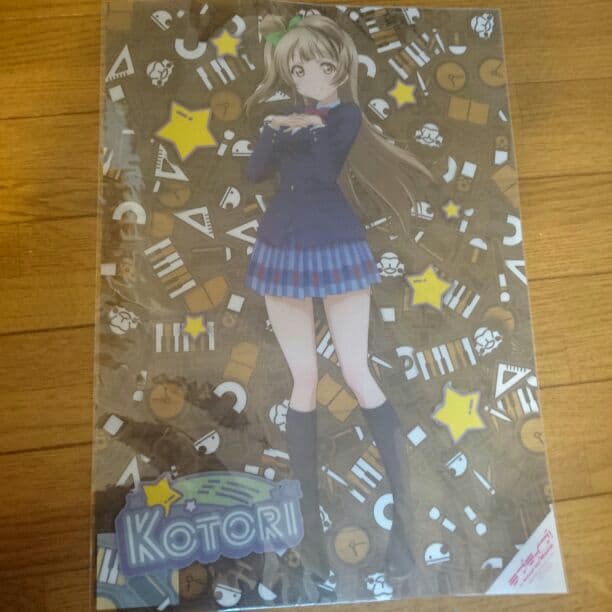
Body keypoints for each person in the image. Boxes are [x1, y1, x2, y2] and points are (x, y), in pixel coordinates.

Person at [243, 13, 433, 582]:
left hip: (336, 242)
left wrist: (302, 126)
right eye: (295, 68)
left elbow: (326, 169)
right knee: (303, 377)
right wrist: (274, 129)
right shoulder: (286, 119)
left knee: (356, 370)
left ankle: (406, 531)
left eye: (316, 66)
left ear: (338, 69)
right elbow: (255, 173)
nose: (305, 76)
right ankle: (310, 540)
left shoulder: (344, 115)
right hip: (281, 243)